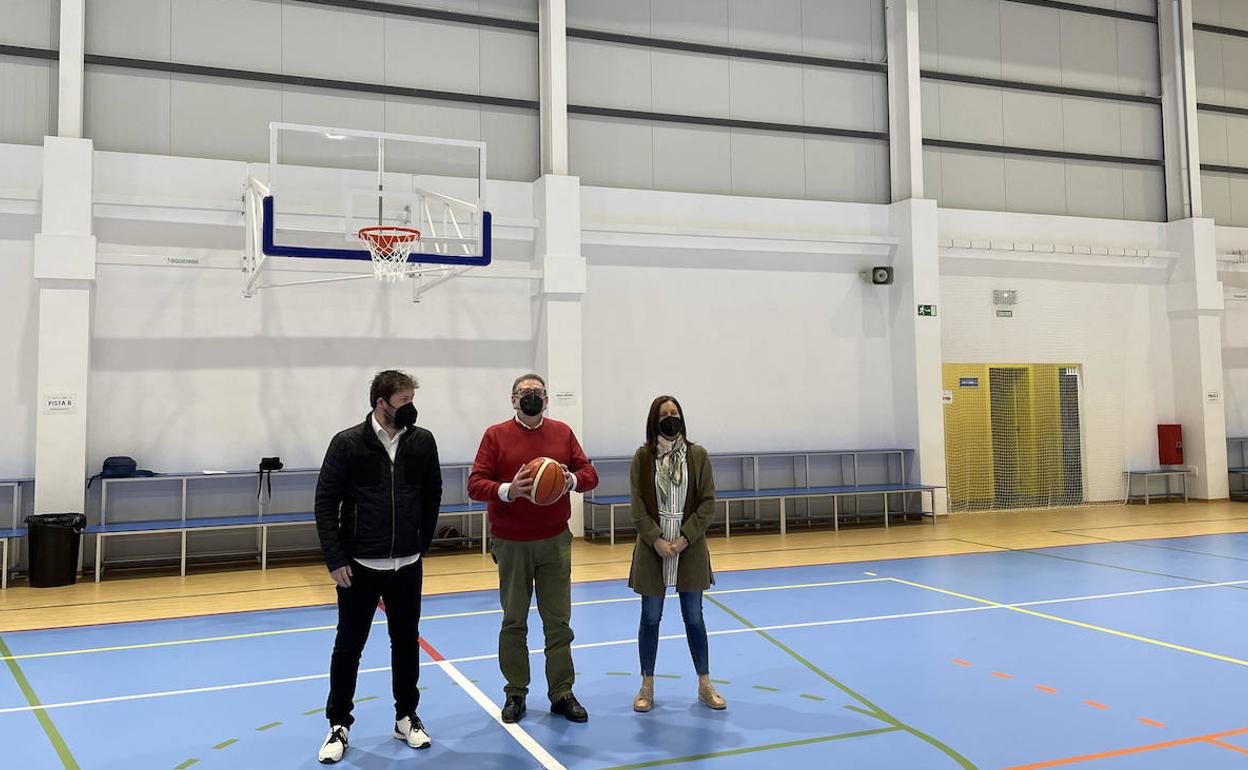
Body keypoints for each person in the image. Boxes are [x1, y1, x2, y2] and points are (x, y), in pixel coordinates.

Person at [313, 370, 443, 764]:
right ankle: (339, 724)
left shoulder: (422, 442)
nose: (411, 408)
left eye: (411, 399)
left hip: (406, 564)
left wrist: (420, 544)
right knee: (349, 646)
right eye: (404, 401)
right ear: (380, 403)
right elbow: (325, 503)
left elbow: (432, 494)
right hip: (359, 566)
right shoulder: (347, 443)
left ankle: (406, 717)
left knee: (406, 643)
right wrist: (336, 559)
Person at [468, 373, 599, 724]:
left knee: (558, 622)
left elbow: (589, 474)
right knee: (514, 621)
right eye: (525, 393)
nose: (532, 397)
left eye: (538, 393)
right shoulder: (495, 436)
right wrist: (509, 489)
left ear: (547, 399)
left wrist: (569, 479)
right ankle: (515, 693)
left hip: (554, 540)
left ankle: (561, 692)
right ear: (513, 399)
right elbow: (475, 484)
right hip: (511, 542)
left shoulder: (562, 433)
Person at [627, 395, 725, 712]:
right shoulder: (642, 457)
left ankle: (705, 683)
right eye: (664, 413)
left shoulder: (698, 455)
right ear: (654, 420)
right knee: (650, 617)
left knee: (694, 617)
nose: (671, 417)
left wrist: (684, 538)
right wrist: (656, 539)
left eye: (675, 412)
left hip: (689, 547)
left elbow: (707, 504)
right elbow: (638, 506)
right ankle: (647, 685)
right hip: (652, 548)